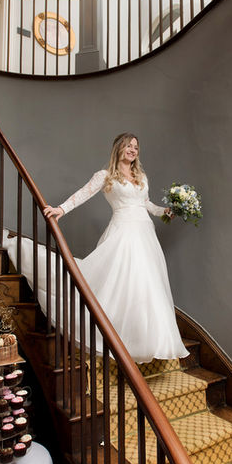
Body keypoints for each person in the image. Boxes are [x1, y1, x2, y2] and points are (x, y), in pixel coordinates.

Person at [43, 133, 189, 363]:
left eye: (136, 147)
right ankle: (116, 337)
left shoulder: (141, 176)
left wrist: (166, 211)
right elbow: (84, 193)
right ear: (118, 149)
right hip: (123, 231)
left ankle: (145, 341)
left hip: (145, 234)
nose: (132, 150)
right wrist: (61, 209)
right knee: (120, 282)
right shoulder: (105, 176)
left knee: (146, 284)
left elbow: (146, 204)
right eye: (128, 146)